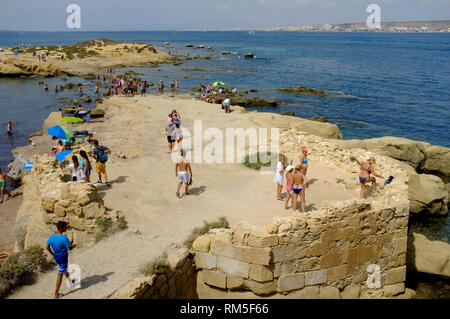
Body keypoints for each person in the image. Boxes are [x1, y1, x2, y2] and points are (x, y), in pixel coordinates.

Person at [46, 221, 76, 299]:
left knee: (64, 268)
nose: (66, 228)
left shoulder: (52, 236)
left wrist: (52, 254)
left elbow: (46, 247)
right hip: (63, 257)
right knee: (60, 275)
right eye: (65, 227)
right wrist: (74, 245)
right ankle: (56, 294)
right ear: (62, 228)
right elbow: (70, 248)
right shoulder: (64, 238)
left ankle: (71, 280)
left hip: (57, 257)